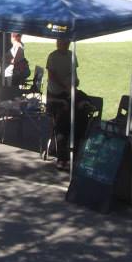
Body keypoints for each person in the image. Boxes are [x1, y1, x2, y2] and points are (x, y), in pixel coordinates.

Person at [46, 38, 78, 170]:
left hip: (67, 93)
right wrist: (63, 86)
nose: (60, 44)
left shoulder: (72, 55)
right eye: (59, 42)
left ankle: (65, 151)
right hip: (55, 94)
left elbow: (73, 72)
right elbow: (51, 75)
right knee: (58, 124)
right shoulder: (52, 56)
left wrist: (74, 82)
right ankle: (58, 153)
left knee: (67, 124)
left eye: (63, 42)